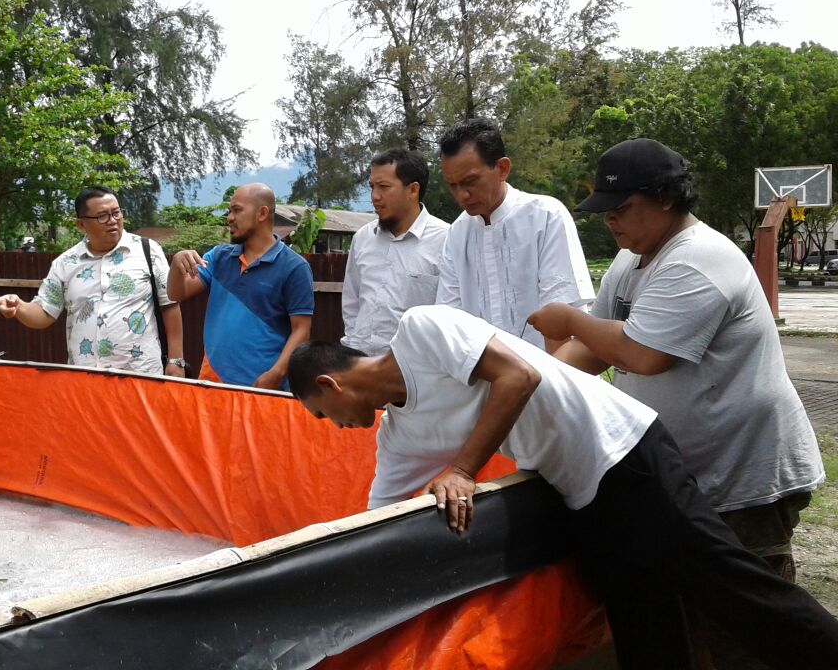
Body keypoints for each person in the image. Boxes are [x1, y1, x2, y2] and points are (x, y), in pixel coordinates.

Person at [285, 306, 838, 670]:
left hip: (624, 450)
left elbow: (520, 377)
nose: (333, 426)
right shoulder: (400, 436)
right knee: (639, 616)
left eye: (321, 414)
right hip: (580, 491)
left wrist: (461, 470)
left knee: (728, 585)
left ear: (329, 383)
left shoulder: (423, 330)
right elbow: (377, 514)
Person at [528, 138, 826, 668]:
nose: (611, 223)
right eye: (606, 212)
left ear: (665, 199)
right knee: (687, 626)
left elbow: (643, 354)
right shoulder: (631, 259)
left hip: (743, 481)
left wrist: (570, 320)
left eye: (622, 210)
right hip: (684, 480)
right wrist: (525, 380)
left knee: (748, 630)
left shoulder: (699, 259)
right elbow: (593, 351)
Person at [0, 187, 187, 377]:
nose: (113, 221)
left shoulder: (147, 250)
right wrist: (19, 307)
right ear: (81, 224)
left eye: (117, 213)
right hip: (85, 378)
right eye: (102, 216)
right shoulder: (66, 263)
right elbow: (44, 313)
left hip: (141, 374)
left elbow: (169, 304)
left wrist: (176, 360)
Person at [435, 118, 593, 348]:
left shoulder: (545, 216)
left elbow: (561, 319)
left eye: (470, 181)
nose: (462, 196)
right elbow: (452, 320)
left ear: (502, 169)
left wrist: (552, 382)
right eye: (452, 185)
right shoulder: (457, 233)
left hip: (550, 373)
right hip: (489, 379)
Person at [168, 182, 313, 390]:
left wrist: (276, 374)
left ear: (262, 213)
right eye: (229, 211)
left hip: (264, 388)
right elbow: (176, 294)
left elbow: (301, 330)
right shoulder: (219, 257)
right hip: (213, 384)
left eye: (236, 210)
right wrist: (176, 264)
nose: (229, 218)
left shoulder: (294, 267)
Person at [340, 148, 449, 356]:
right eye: (372, 187)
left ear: (413, 190)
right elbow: (351, 303)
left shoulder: (446, 240)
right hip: (361, 366)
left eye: (384, 187)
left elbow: (449, 314)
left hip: (416, 373)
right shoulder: (363, 238)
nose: (374, 196)